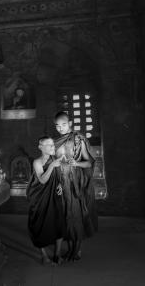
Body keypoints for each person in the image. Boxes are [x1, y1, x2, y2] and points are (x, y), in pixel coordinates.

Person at [53, 111, 97, 261]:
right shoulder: (55, 141)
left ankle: (76, 251)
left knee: (76, 216)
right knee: (65, 217)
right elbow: (53, 165)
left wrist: (76, 163)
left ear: (70, 123)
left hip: (75, 184)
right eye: (57, 125)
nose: (60, 128)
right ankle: (72, 249)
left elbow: (89, 162)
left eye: (64, 124)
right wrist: (56, 182)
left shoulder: (78, 140)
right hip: (61, 183)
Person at [27, 137, 66, 265]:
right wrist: (52, 166)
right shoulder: (37, 162)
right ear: (40, 147)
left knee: (59, 222)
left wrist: (60, 184)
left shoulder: (56, 159)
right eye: (49, 145)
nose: (52, 147)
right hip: (39, 197)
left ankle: (57, 254)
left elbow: (59, 176)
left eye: (53, 145)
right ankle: (44, 255)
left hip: (54, 195)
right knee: (40, 224)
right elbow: (42, 180)